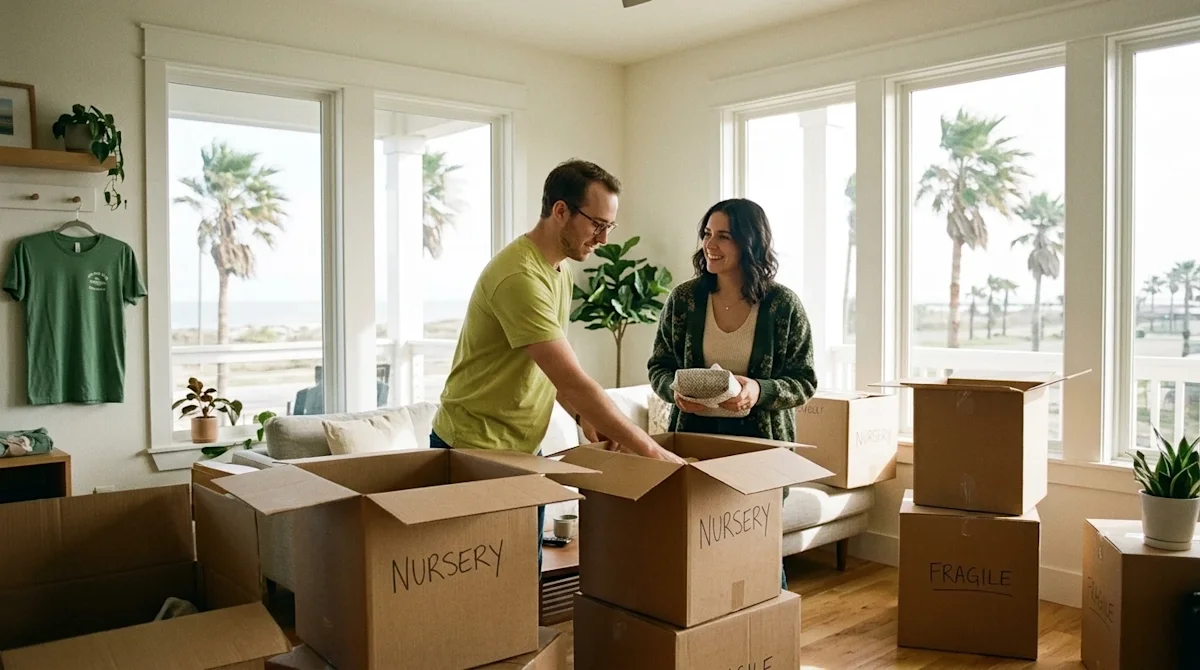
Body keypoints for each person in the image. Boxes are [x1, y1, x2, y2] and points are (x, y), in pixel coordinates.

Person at [430, 159, 686, 574]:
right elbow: (573, 380)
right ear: (561, 211)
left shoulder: (559, 271)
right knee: (478, 588)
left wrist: (582, 414)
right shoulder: (518, 277)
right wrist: (650, 449)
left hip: (520, 448)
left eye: (610, 227)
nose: (603, 238)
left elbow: (550, 370)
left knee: (517, 579)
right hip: (473, 448)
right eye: (596, 224)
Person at [647, 198, 818, 588]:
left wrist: (758, 390)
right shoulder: (685, 300)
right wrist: (673, 389)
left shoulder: (782, 306)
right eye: (707, 234)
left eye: (723, 236)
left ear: (750, 243)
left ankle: (764, 631)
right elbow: (658, 365)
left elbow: (804, 381)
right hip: (693, 445)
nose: (710, 244)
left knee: (758, 556)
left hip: (761, 450)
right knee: (698, 557)